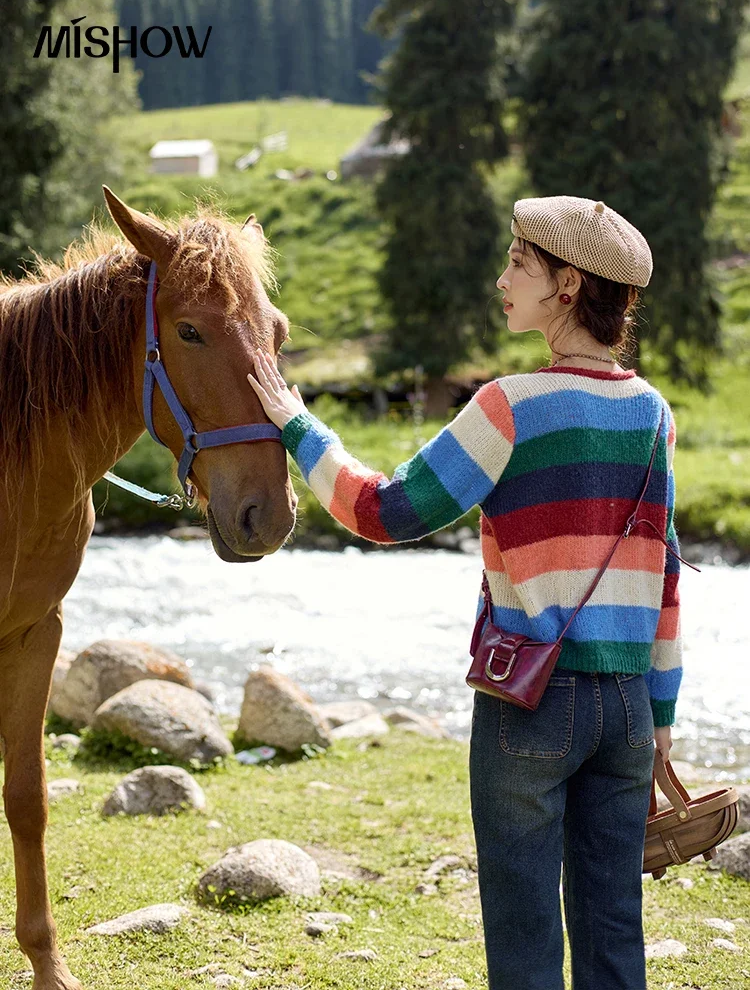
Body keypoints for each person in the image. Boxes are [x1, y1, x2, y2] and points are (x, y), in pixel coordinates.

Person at [247, 195, 686, 990]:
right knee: (614, 928)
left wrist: (296, 424)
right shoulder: (654, 415)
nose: (500, 278)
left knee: (522, 937)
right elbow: (665, 576)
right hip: (625, 709)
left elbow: (383, 510)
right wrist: (661, 714)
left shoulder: (508, 406)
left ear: (568, 284)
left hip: (531, 706)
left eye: (519, 262)